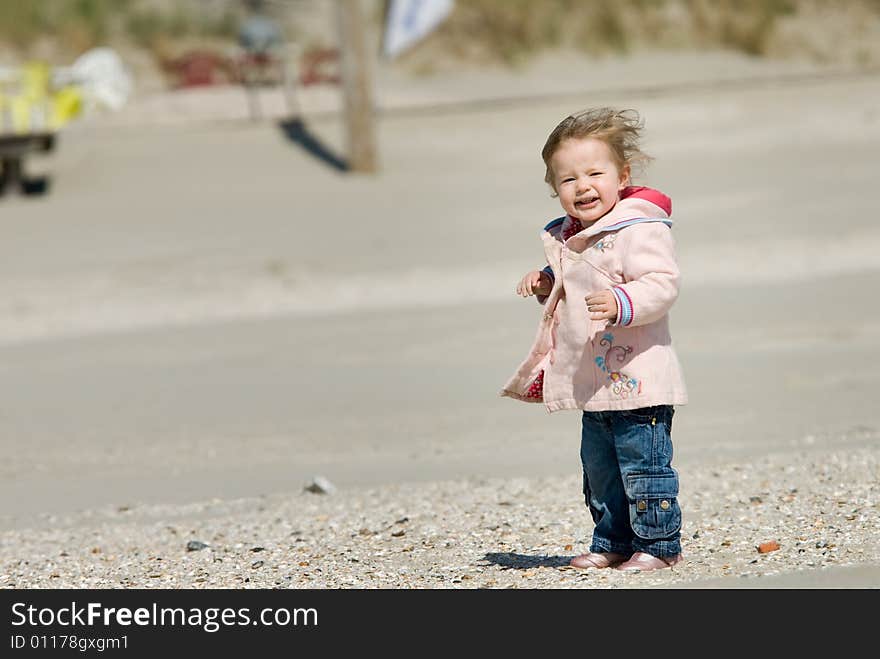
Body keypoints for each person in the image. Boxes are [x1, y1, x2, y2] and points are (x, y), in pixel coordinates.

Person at [500, 108, 688, 572]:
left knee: (642, 467)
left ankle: (660, 546)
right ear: (554, 188)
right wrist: (547, 281)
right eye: (568, 180)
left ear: (622, 177)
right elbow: (577, 278)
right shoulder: (571, 239)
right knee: (601, 471)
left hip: (637, 377)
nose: (582, 187)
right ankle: (612, 541)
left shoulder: (638, 227)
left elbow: (661, 283)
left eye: (594, 174)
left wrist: (623, 301)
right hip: (593, 381)